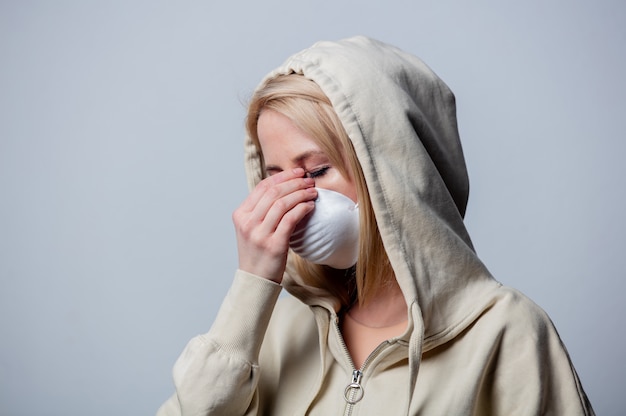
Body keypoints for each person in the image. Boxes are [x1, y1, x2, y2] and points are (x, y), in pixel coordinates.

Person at [157, 36, 594, 415]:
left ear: (392, 173)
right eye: (275, 177)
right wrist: (251, 288)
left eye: (316, 171)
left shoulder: (506, 330)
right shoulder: (276, 323)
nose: (293, 201)